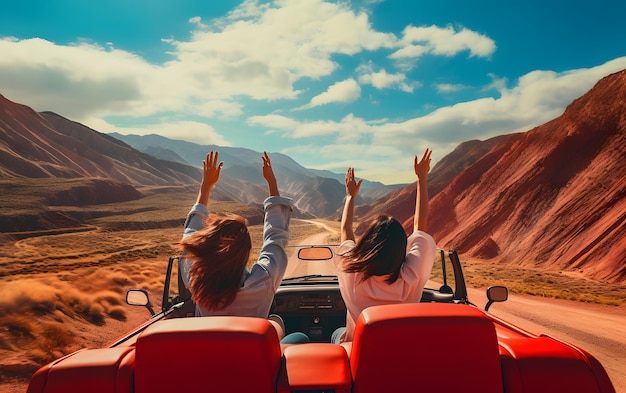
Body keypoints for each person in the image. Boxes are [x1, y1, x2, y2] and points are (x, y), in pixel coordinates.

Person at [179, 150, 308, 344]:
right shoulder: (262, 280)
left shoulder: (197, 279)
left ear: (207, 246)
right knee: (289, 330)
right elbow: (276, 237)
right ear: (246, 253)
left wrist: (206, 186)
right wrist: (272, 184)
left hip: (209, 362)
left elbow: (190, 235)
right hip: (256, 368)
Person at [331, 149, 437, 344]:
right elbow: (420, 227)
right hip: (397, 355)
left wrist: (350, 196)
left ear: (366, 245)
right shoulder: (410, 278)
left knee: (336, 333)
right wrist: (422, 178)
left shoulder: (352, 273)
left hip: (359, 357)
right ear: (400, 251)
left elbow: (346, 229)